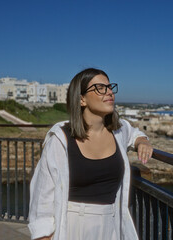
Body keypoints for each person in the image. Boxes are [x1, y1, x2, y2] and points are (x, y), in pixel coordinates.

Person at [28, 68, 153, 240]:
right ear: (81, 99)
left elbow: (135, 133)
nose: (109, 92)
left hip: (111, 226)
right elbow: (42, 197)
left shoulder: (119, 131)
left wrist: (143, 142)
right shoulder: (61, 139)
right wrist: (43, 236)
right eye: (100, 88)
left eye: (110, 87)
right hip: (73, 226)